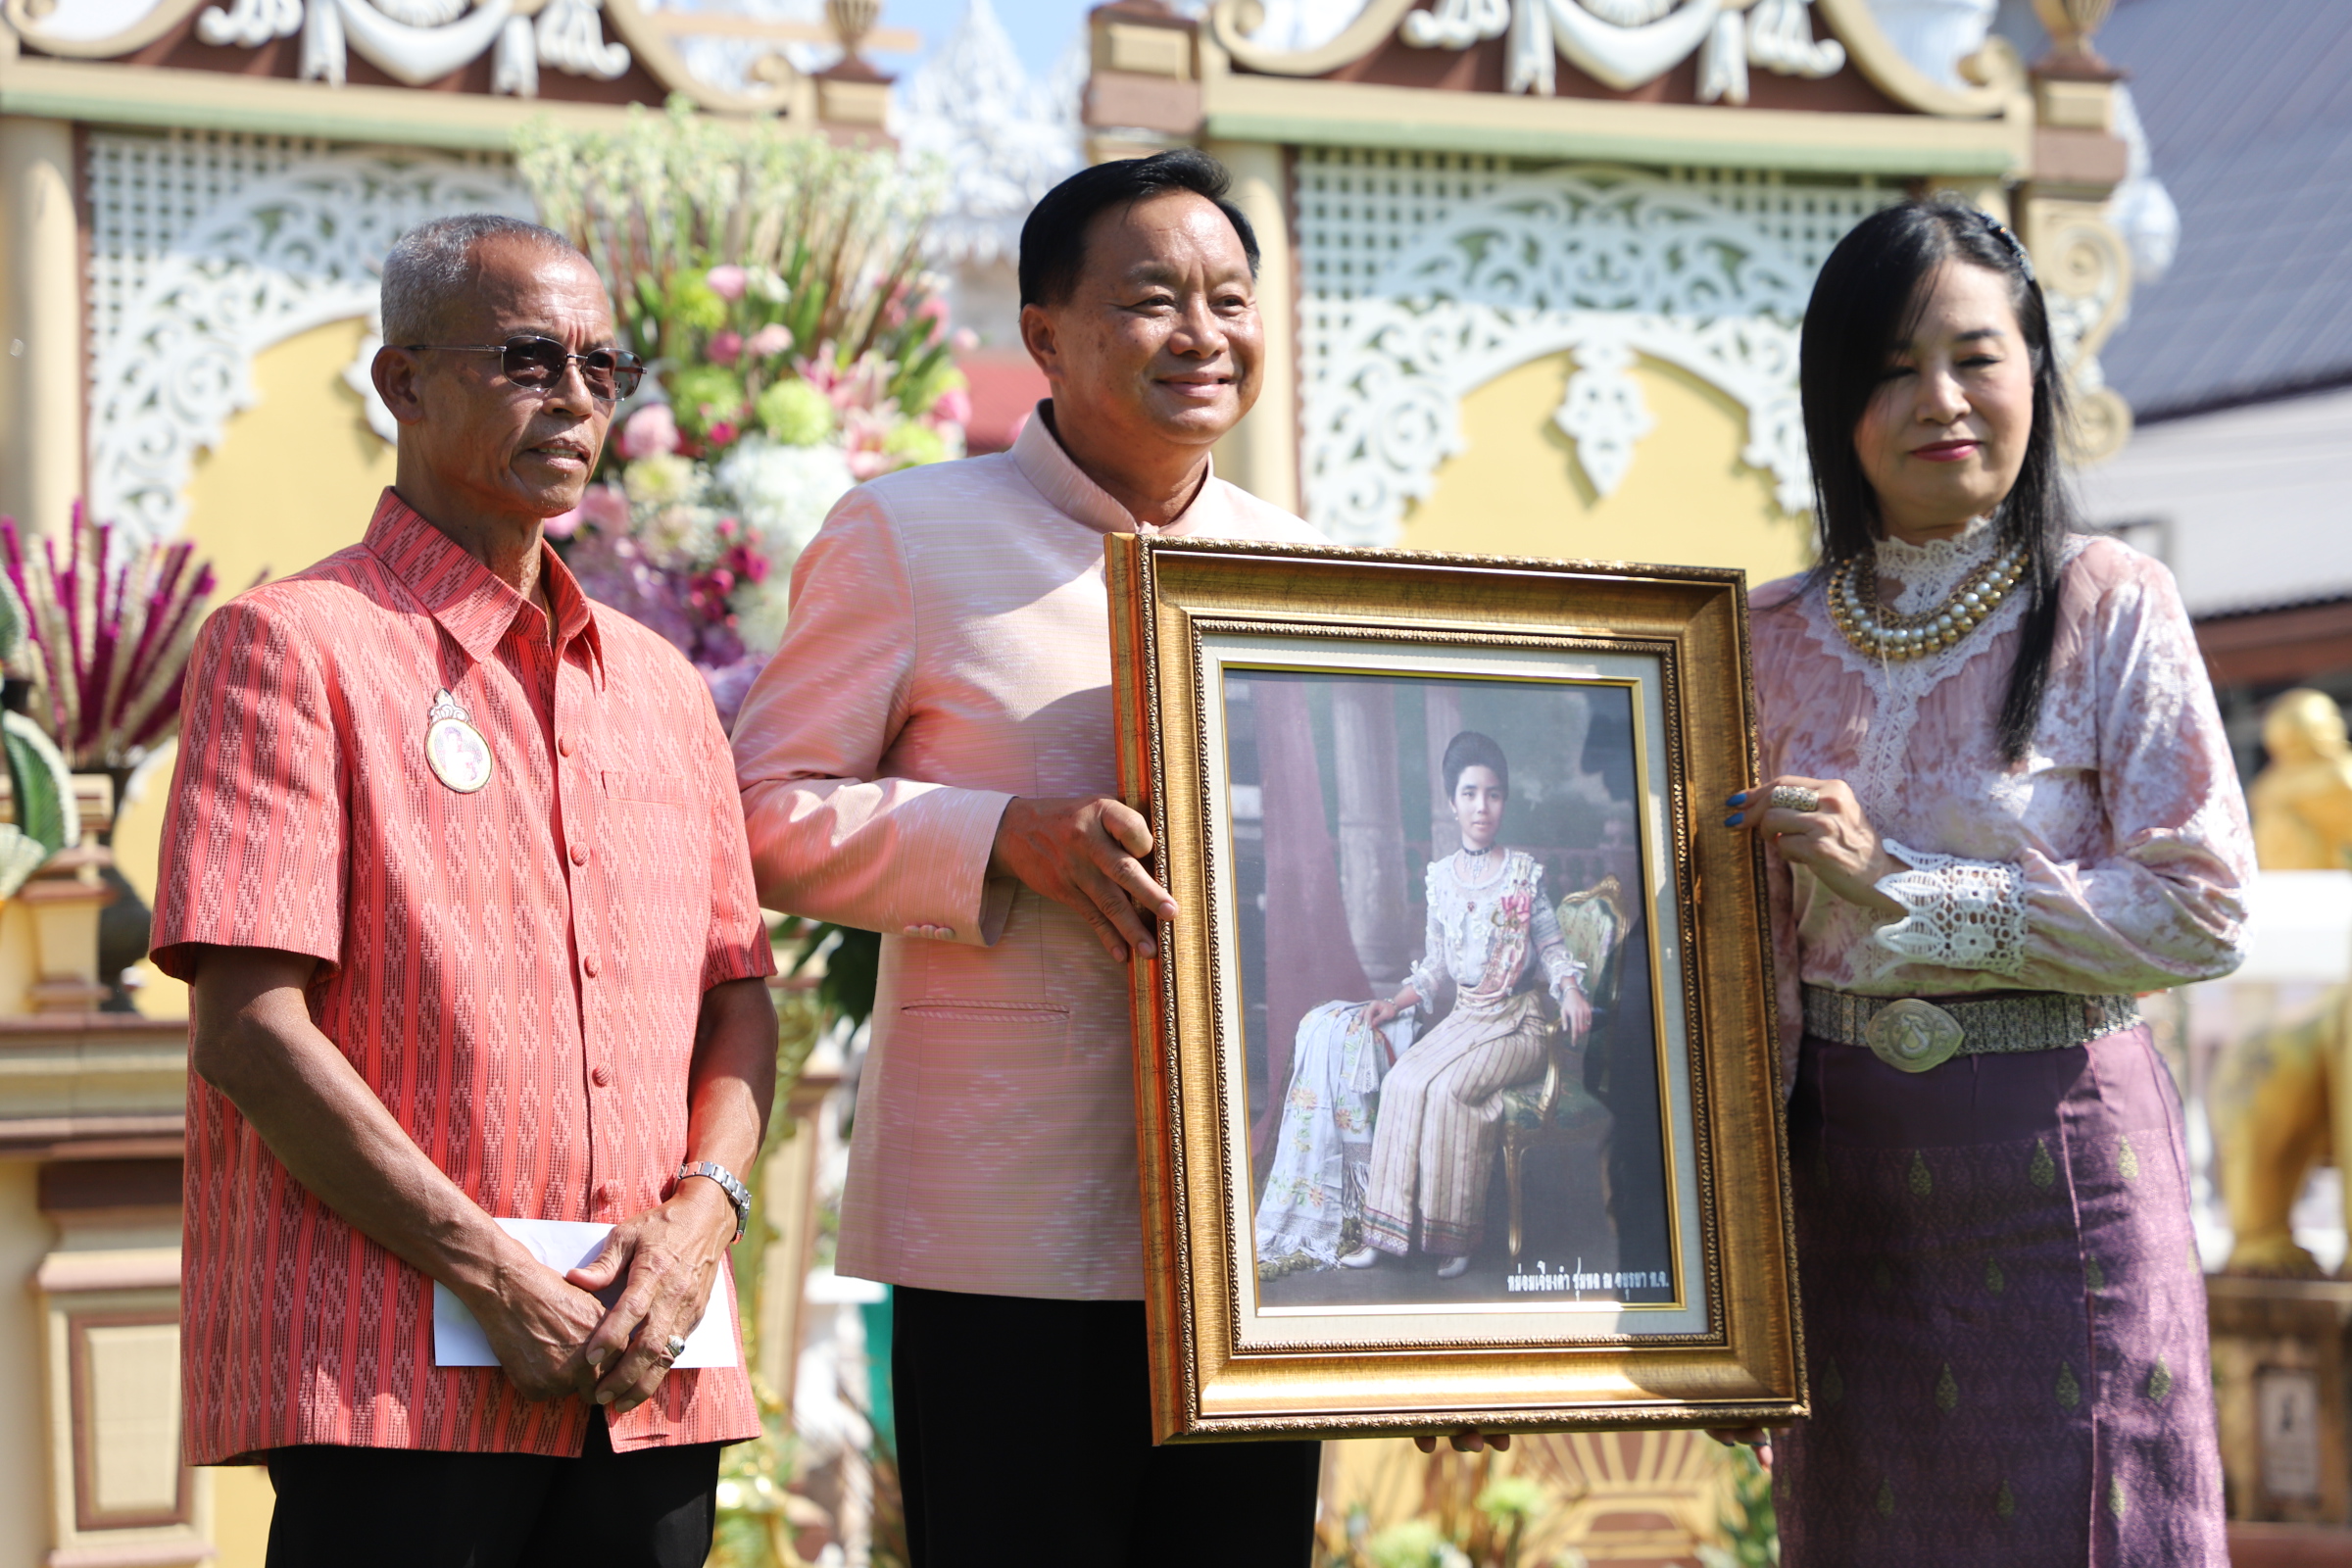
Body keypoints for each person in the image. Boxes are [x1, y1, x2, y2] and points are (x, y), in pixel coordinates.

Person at [149, 214, 779, 1568]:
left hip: (647, 1368)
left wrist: (696, 1224)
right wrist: (496, 1276)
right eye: (529, 358)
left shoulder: (667, 693)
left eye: (604, 368)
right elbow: (249, 1032)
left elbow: (740, 1004)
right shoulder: (290, 647)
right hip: (396, 1383)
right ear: (404, 383)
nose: (577, 399)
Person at [730, 151, 1327, 1563]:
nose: (1203, 334)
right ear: (1044, 332)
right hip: (1001, 1236)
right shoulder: (909, 534)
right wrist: (999, 839)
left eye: (1230, 299)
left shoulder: (1303, 565)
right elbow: (760, 811)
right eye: (1153, 299)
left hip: (1257, 1240)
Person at [1729, 199, 2249, 1563]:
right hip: (1845, 1211)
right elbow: (1726, 958)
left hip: (2067, 1186)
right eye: (1892, 367)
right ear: (1835, 400)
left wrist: (1903, 889)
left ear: (2035, 371)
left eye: (1975, 356)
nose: (1940, 400)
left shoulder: (2109, 602)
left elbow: (2202, 903)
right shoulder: (1759, 639)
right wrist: (1725, 1256)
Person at [1319, 731, 1592, 1281]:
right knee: (1402, 1083)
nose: (1481, 806)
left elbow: (1553, 946)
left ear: (1503, 801)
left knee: (1447, 1090)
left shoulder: (1522, 873)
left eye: (1492, 794)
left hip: (1519, 1026)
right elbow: (1437, 966)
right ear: (1452, 802)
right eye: (1469, 793)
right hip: (1467, 1017)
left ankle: (1455, 1235)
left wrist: (1571, 990)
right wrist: (1394, 1002)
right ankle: (1384, 1232)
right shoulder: (1441, 878)